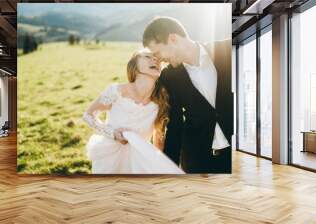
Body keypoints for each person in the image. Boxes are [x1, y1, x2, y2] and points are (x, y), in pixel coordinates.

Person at [143, 16, 233, 173]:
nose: (159, 60)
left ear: (173, 39)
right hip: (195, 159)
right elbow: (175, 125)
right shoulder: (169, 76)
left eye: (157, 53)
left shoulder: (227, 49)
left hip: (233, 154)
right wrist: (168, 169)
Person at [82, 49, 184, 174]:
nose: (155, 60)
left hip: (140, 160)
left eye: (157, 59)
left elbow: (159, 138)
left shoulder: (161, 101)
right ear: (134, 67)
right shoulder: (116, 91)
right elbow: (88, 115)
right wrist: (112, 132)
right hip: (110, 157)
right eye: (147, 57)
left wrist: (158, 166)